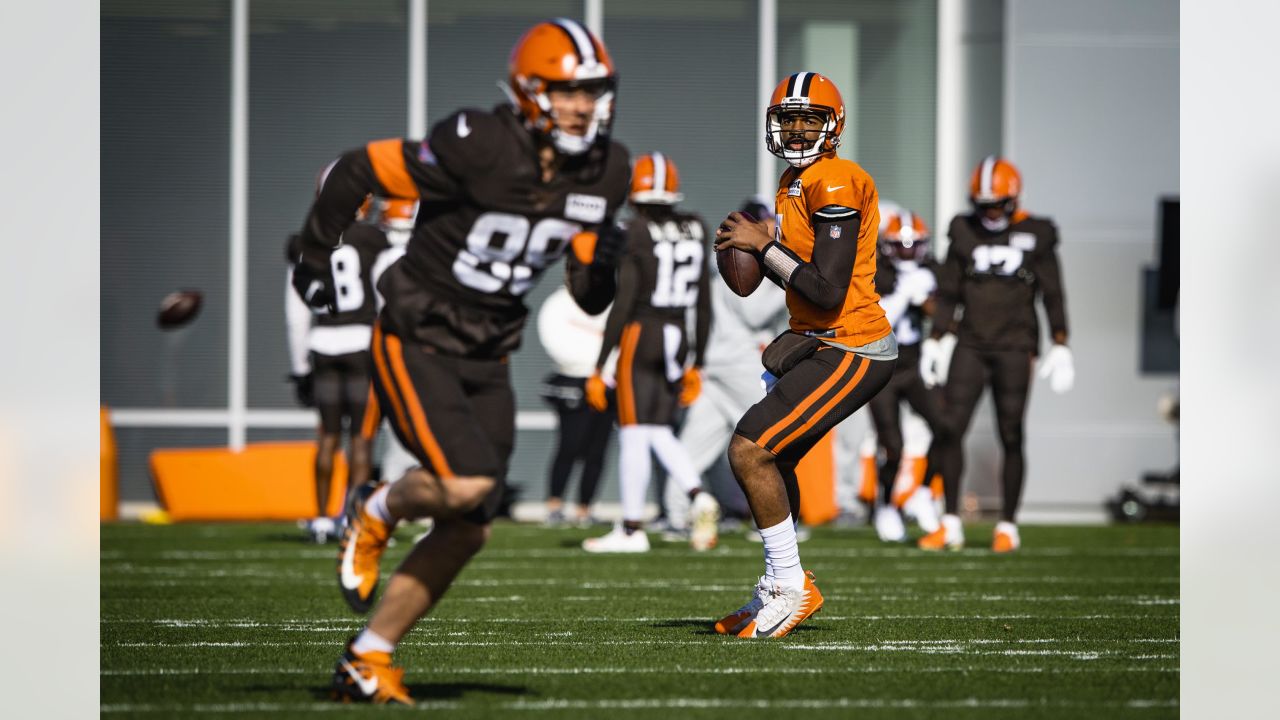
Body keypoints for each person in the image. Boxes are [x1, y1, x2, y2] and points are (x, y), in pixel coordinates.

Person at [289, 19, 630, 704]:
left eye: (593, 91)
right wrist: (314, 254)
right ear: (531, 92)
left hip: (490, 349)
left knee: (471, 523)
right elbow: (359, 167)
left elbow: (589, 291)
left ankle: (368, 656)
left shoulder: (608, 168)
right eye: (567, 92)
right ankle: (376, 506)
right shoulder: (477, 141)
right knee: (471, 483)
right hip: (418, 333)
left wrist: (601, 270)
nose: (582, 106)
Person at [712, 71, 897, 639]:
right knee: (775, 458)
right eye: (788, 119)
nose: (796, 129)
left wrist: (762, 247)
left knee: (750, 450)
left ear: (832, 126)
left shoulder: (836, 180)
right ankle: (778, 581)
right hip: (819, 340)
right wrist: (758, 254)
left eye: (808, 119)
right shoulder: (794, 182)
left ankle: (791, 585)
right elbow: (799, 283)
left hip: (852, 344)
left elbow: (826, 290)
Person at [918, 155, 1073, 553]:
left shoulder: (1036, 232)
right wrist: (936, 338)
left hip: (1015, 345)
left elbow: (1052, 290)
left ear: (1012, 200)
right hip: (970, 341)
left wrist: (1060, 340)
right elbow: (950, 290)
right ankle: (950, 522)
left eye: (996, 205)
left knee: (1011, 432)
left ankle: (1007, 525)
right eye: (982, 205)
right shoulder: (963, 230)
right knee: (951, 427)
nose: (989, 213)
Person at [581, 151, 719, 553]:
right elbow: (704, 302)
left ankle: (630, 528)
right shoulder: (696, 227)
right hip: (679, 334)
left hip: (643, 334)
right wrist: (700, 361)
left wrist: (599, 362)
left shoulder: (635, 231)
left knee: (633, 431)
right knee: (656, 429)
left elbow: (623, 304)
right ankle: (698, 494)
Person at [667, 196, 788, 529]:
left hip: (713, 362)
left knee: (694, 444)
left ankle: (676, 516)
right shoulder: (739, 264)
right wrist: (791, 281)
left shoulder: (715, 261)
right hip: (740, 363)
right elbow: (751, 310)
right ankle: (779, 521)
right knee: (770, 442)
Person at [285, 181, 391, 545]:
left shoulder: (307, 242)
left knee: (328, 439)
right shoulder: (373, 240)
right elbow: (385, 296)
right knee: (362, 441)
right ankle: (354, 520)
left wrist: (300, 369)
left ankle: (320, 519)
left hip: (323, 345)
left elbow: (296, 310)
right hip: (362, 343)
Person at [865, 207, 945, 542]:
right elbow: (877, 321)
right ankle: (885, 505)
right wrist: (903, 294)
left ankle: (923, 493)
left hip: (914, 363)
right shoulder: (876, 270)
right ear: (888, 246)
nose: (908, 253)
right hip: (881, 365)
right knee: (893, 445)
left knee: (947, 426)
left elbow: (944, 315)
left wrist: (928, 298)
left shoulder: (930, 270)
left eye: (914, 246)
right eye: (901, 246)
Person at [536, 285, 613, 527]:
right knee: (570, 445)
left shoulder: (609, 298)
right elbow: (555, 337)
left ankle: (584, 508)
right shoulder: (560, 303)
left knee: (597, 450)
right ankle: (554, 505)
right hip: (574, 379)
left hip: (608, 380)